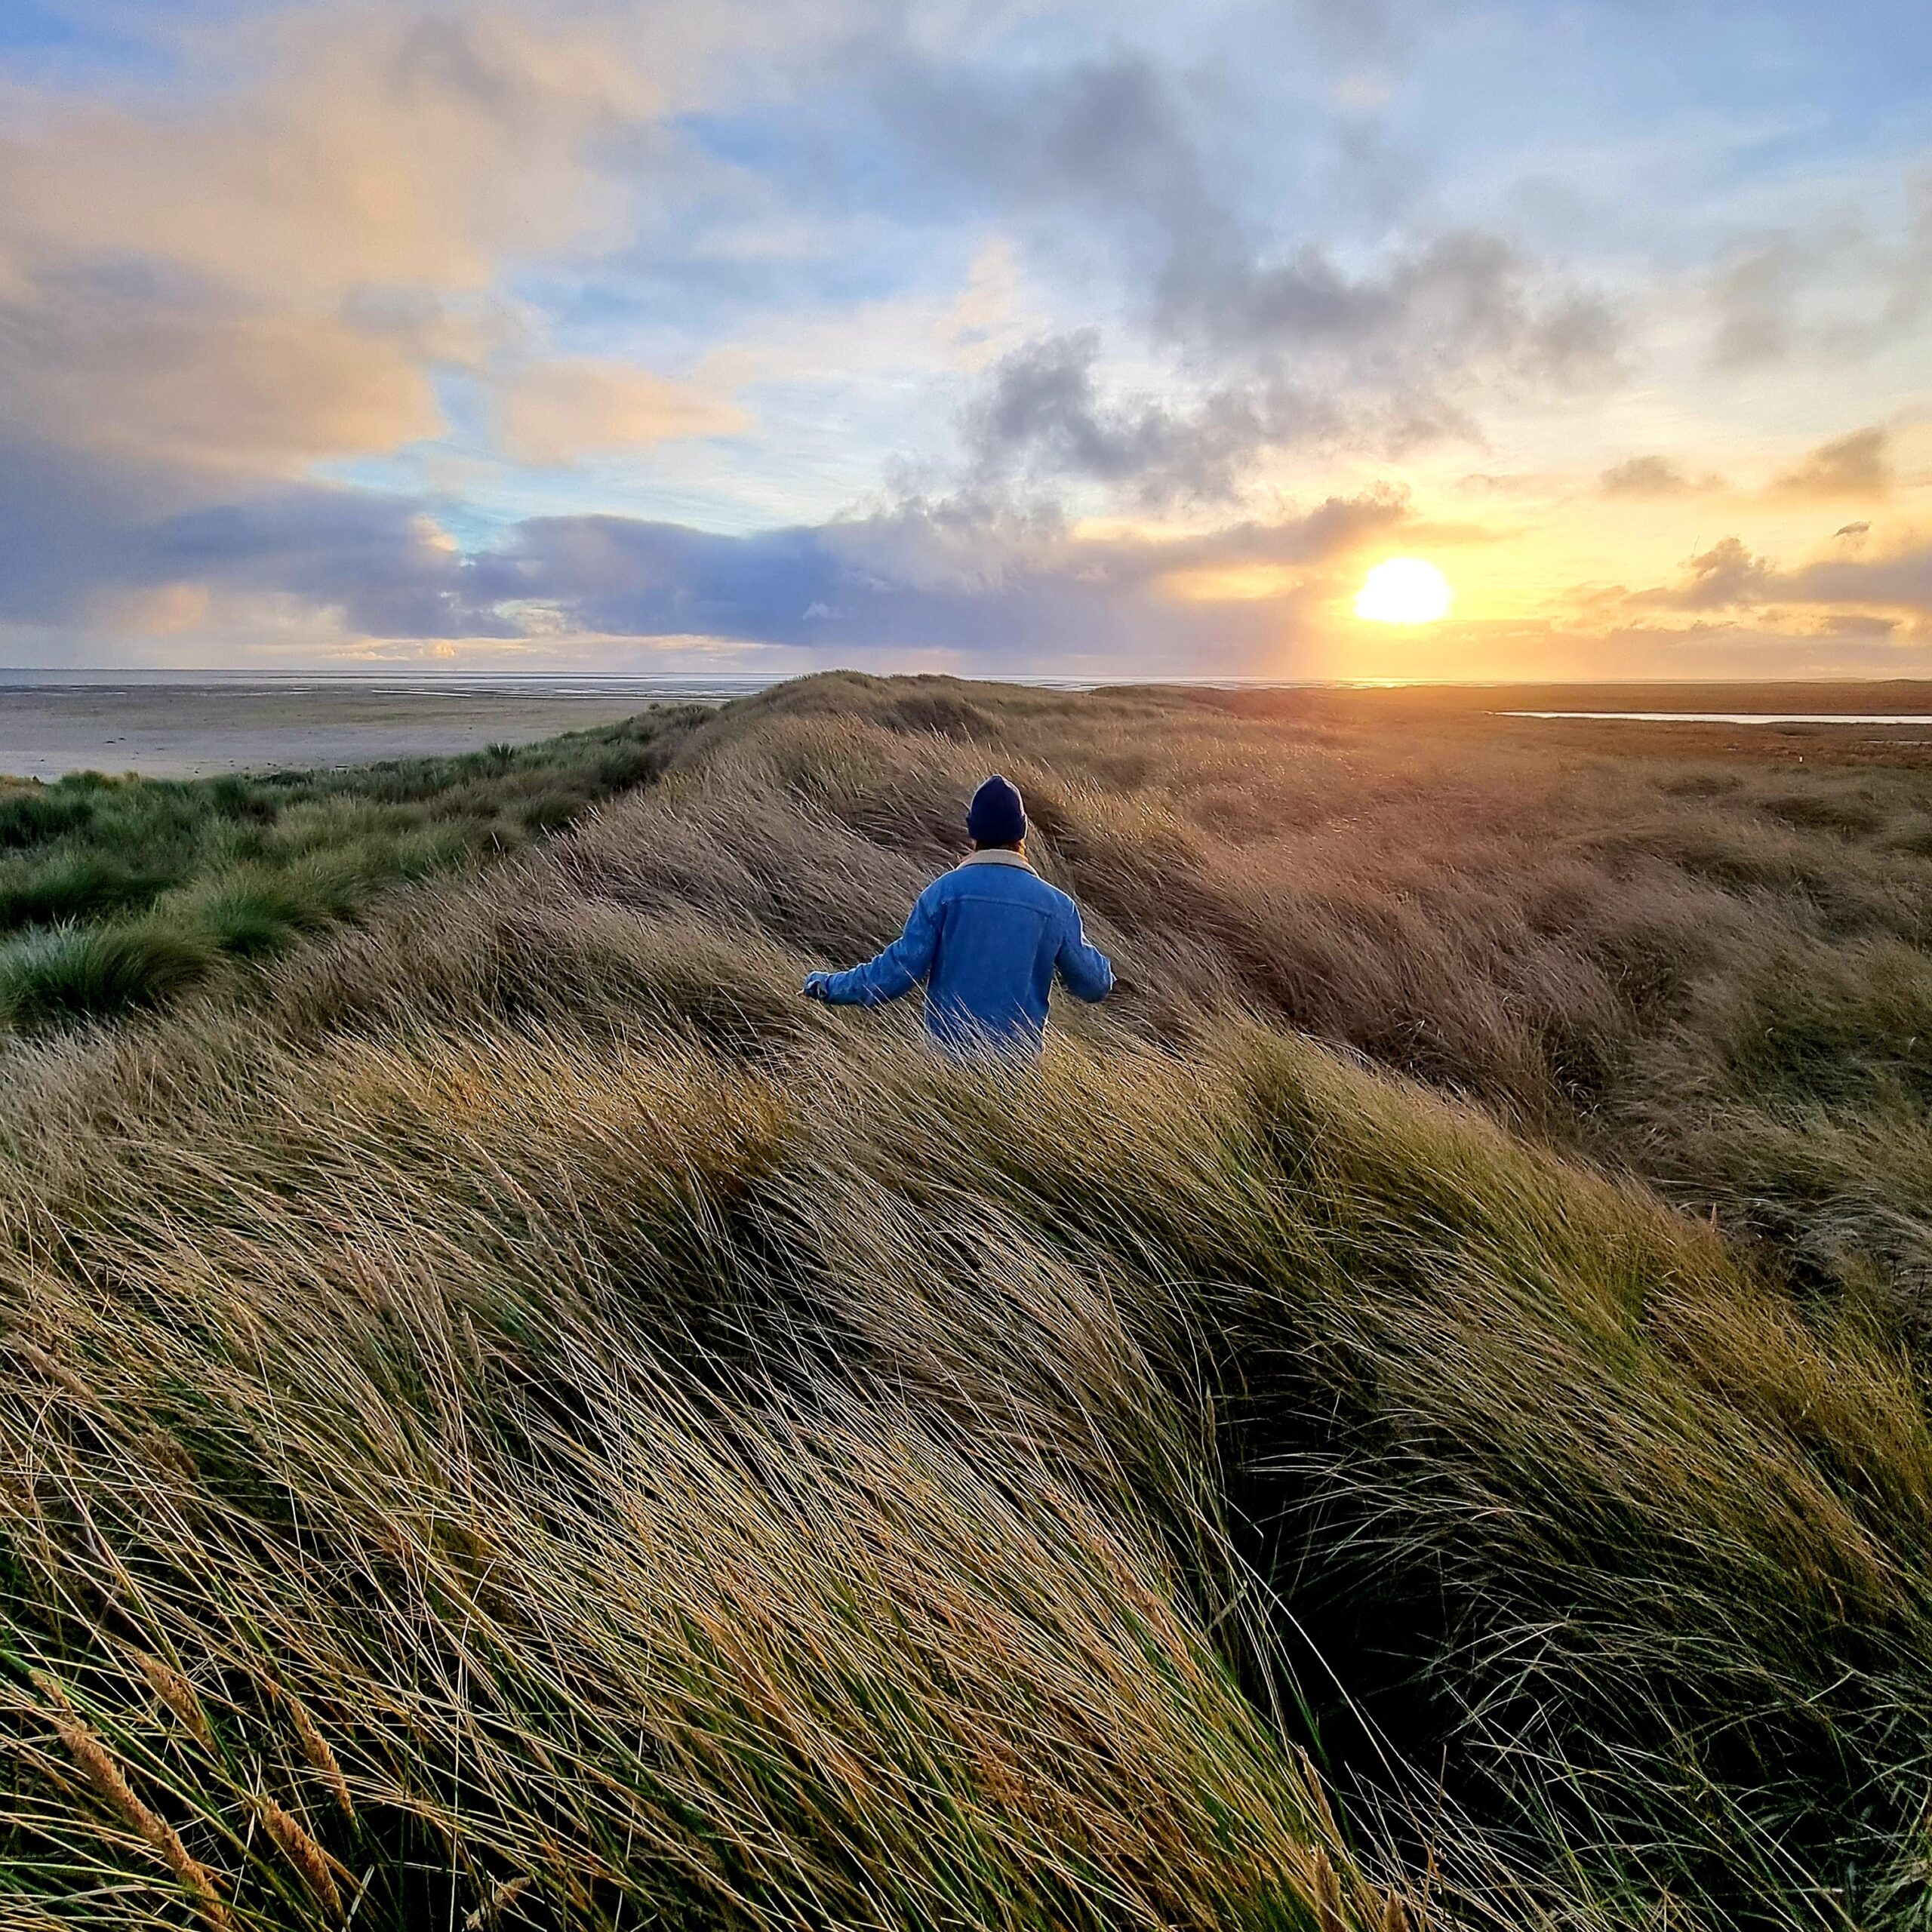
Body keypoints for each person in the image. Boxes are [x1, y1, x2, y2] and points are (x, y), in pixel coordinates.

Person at [802, 774, 1113, 1055]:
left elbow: (893, 974)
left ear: (972, 831)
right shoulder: (1055, 906)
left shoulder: (942, 895)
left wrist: (827, 986)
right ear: (1023, 832)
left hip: (948, 1071)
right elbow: (1094, 985)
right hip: (1019, 1081)